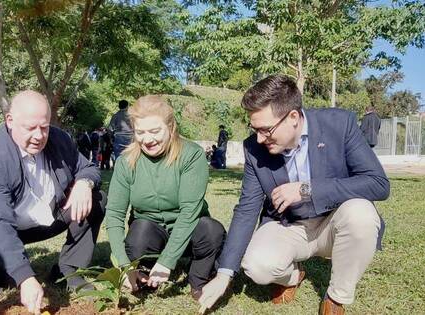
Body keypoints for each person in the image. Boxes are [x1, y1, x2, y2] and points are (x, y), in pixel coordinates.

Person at [198, 75, 390, 315]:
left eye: (266, 130)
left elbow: (378, 184)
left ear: (293, 117)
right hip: (287, 225)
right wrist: (224, 274)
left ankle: (336, 296)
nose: (259, 138)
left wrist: (306, 189)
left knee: (361, 215)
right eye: (254, 129)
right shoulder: (254, 148)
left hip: (335, 221)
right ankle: (294, 276)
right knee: (256, 266)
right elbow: (247, 209)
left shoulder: (340, 125)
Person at [0, 91, 106, 314]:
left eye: (44, 127)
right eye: (30, 128)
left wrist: (84, 183)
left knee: (96, 200)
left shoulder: (60, 139)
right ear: (10, 121)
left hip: (52, 216)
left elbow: (88, 168)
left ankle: (69, 270)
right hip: (10, 224)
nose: (39, 135)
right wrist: (25, 276)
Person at [105, 95, 225, 300]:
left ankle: (198, 277)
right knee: (139, 232)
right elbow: (114, 214)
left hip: (188, 229)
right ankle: (143, 274)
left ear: (171, 127)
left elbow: (189, 212)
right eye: (140, 132)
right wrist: (124, 265)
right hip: (150, 230)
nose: (147, 139)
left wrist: (168, 260)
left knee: (211, 231)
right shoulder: (125, 162)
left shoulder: (191, 155)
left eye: (154, 131)